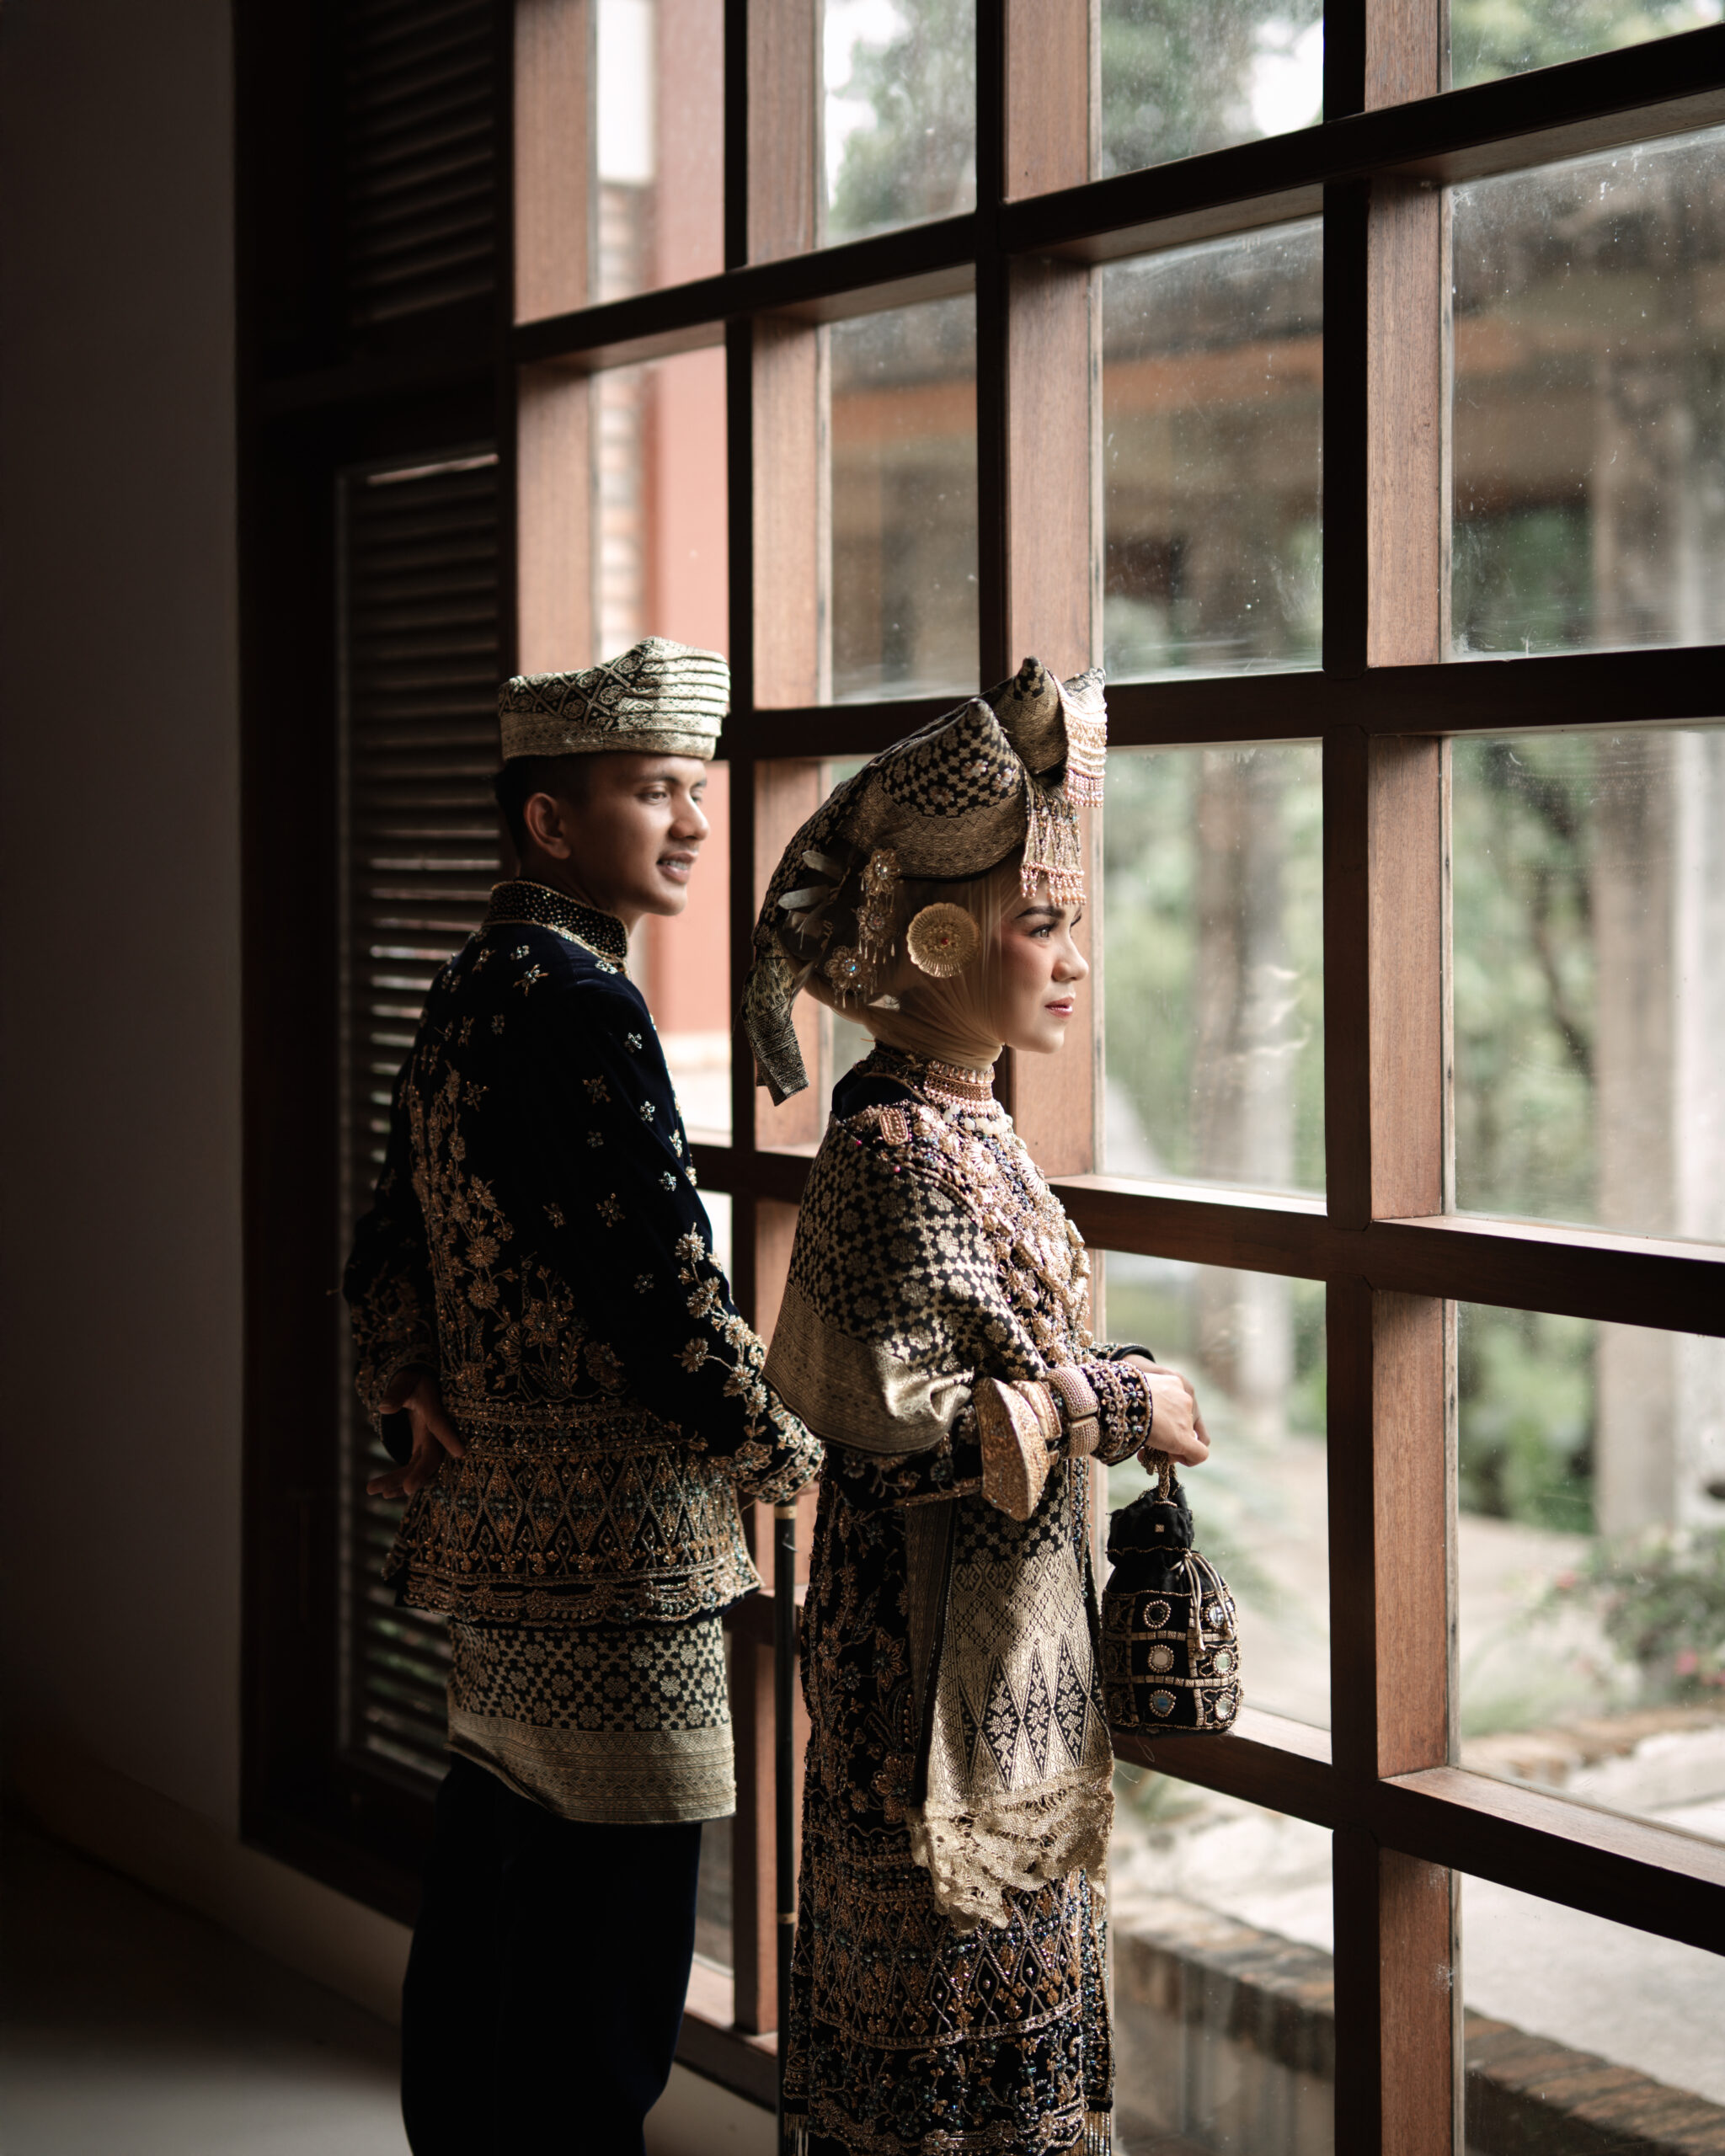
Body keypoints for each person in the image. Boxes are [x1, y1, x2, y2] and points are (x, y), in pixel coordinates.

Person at [344, 638, 823, 2156]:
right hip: (618, 1561)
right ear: (552, 821)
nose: (693, 821)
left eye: (697, 789)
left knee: (491, 1912)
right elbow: (661, 1292)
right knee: (603, 1973)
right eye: (654, 790)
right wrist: (790, 1451)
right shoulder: (580, 999)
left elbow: (385, 1246)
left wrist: (407, 1385)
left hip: (493, 1540)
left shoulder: (471, 979)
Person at [741, 658, 1210, 2156]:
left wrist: (1102, 1389)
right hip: (917, 1667)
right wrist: (1121, 1402)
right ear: (938, 941)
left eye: (1071, 924)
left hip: (1000, 1652)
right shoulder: (894, 1148)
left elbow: (1001, 1355)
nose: (1075, 961)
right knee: (931, 2050)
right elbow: (909, 1430)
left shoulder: (971, 1124)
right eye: (1043, 925)